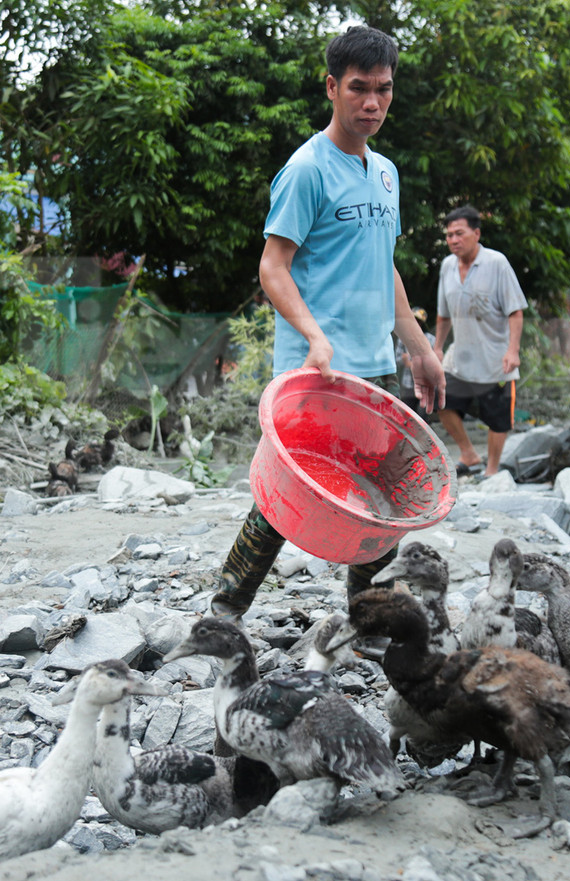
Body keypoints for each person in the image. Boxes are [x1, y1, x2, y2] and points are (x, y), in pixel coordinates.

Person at [209, 25, 445, 621]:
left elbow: (381, 263)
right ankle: (224, 612)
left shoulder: (387, 174)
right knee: (286, 500)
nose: (372, 103)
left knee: (384, 497)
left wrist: (417, 344)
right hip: (316, 370)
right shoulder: (306, 170)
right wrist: (315, 336)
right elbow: (273, 268)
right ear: (332, 87)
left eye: (383, 90)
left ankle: (367, 617)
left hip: (375, 366)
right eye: (359, 89)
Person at [432, 205, 527, 478]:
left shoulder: (496, 263)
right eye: (449, 235)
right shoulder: (447, 266)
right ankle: (468, 453)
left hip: (495, 357)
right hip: (459, 356)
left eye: (459, 233)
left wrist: (513, 350)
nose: (453, 240)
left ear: (476, 233)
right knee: (442, 402)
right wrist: (437, 347)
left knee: (498, 417)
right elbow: (443, 314)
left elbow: (516, 311)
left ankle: (492, 471)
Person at [393, 307, 436, 415]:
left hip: (426, 384)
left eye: (418, 321)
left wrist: (411, 363)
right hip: (408, 384)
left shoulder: (430, 339)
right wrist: (405, 361)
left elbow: (435, 362)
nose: (416, 323)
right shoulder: (403, 338)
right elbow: (397, 359)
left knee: (422, 415)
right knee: (407, 415)